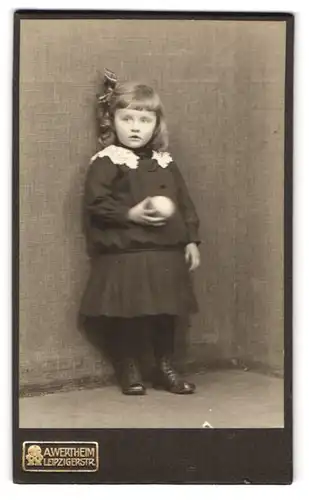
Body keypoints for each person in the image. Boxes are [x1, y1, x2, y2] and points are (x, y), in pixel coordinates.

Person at [80, 69, 201, 396]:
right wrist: (130, 213)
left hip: (165, 253)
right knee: (127, 314)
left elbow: (184, 202)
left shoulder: (165, 162)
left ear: (156, 125)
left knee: (166, 313)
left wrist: (191, 239)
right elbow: (96, 203)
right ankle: (128, 366)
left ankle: (164, 366)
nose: (135, 127)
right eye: (128, 118)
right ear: (114, 120)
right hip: (126, 252)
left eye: (144, 120)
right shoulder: (107, 161)